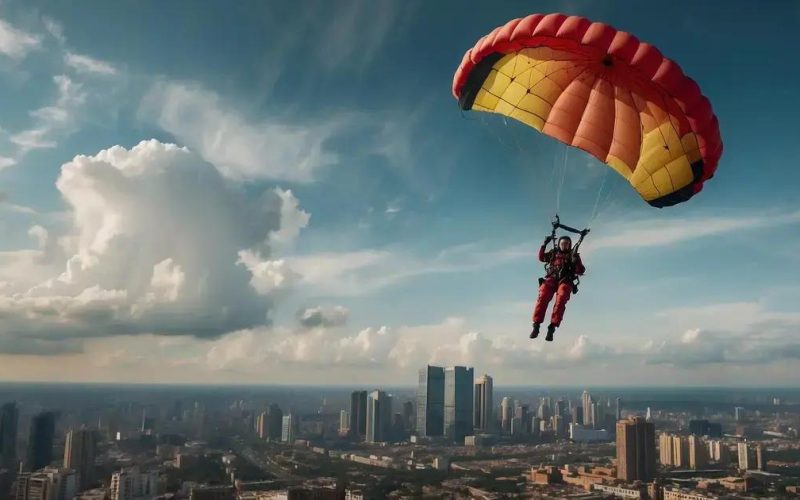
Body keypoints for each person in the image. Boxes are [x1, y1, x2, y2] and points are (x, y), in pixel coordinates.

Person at [530, 234, 585, 341]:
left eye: (567, 244)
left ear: (570, 245)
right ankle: (536, 326)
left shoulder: (574, 255)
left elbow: (581, 271)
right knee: (543, 296)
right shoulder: (553, 253)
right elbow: (541, 258)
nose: (564, 245)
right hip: (551, 279)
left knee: (561, 298)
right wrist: (544, 244)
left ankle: (552, 328)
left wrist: (576, 262)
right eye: (562, 243)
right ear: (559, 244)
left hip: (565, 281)